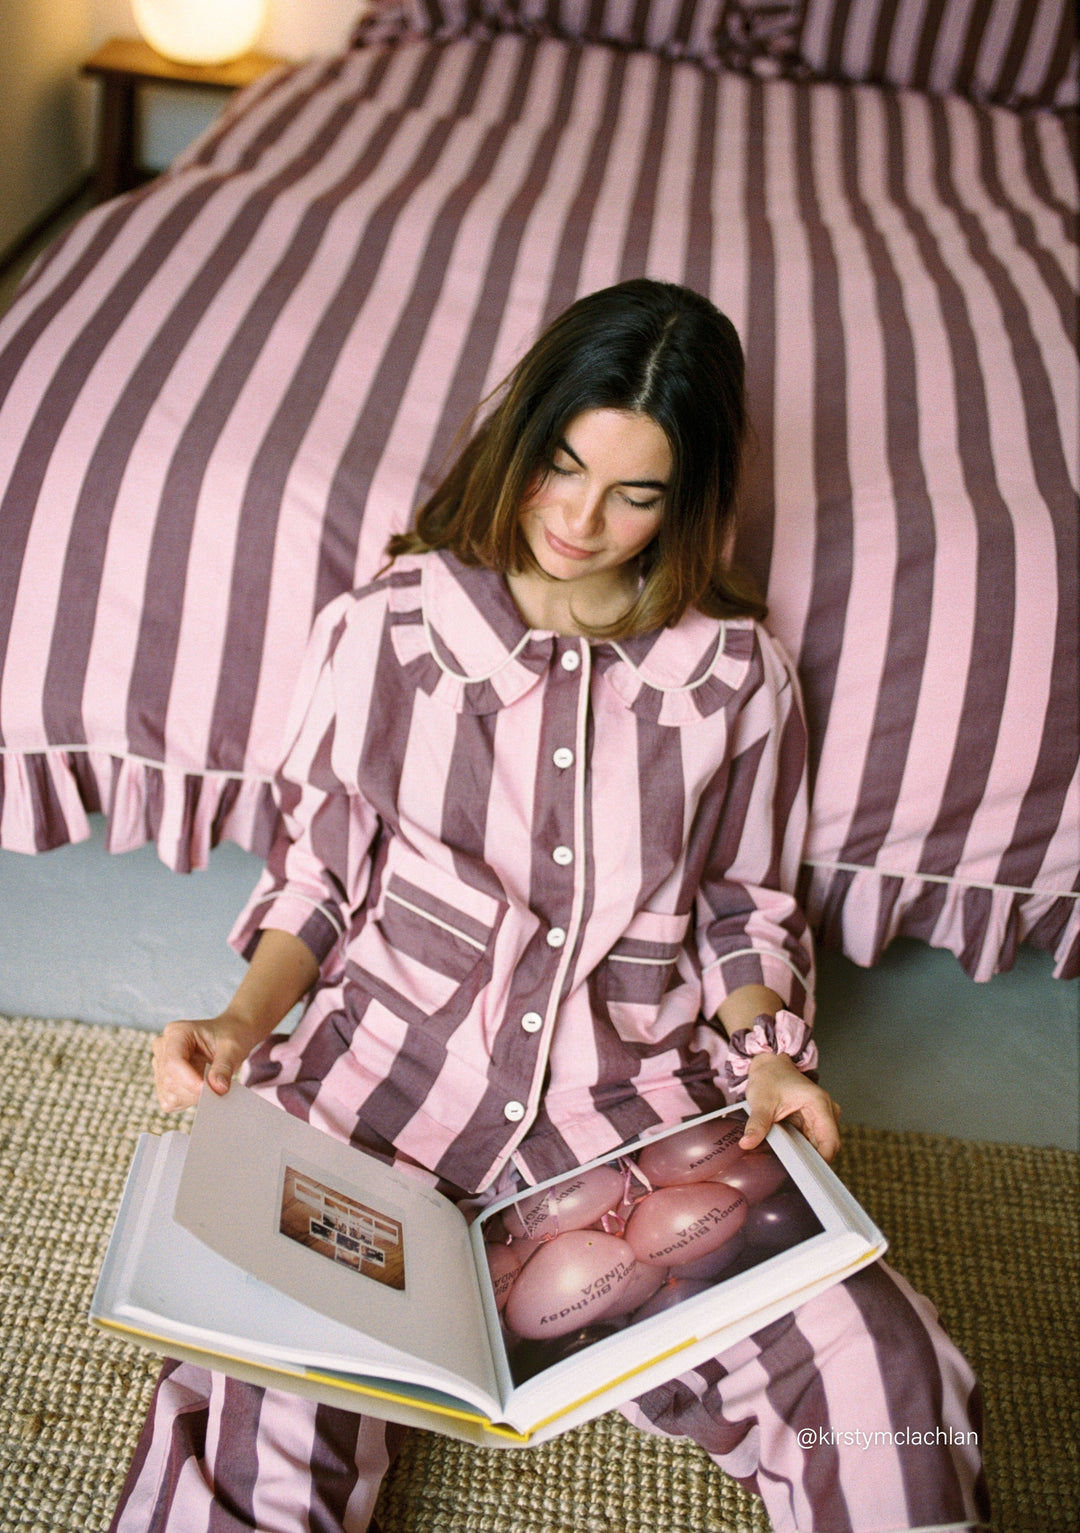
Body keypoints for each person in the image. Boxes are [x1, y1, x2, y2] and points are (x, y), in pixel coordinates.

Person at [111, 280, 989, 1533]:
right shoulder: (388, 629)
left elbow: (743, 901)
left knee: (878, 1372)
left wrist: (767, 1059)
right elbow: (318, 873)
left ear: (685, 499)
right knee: (268, 1417)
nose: (582, 518)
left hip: (632, 1108)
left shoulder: (735, 677)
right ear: (522, 438)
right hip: (379, 1085)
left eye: (636, 493)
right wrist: (242, 1027)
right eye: (563, 467)